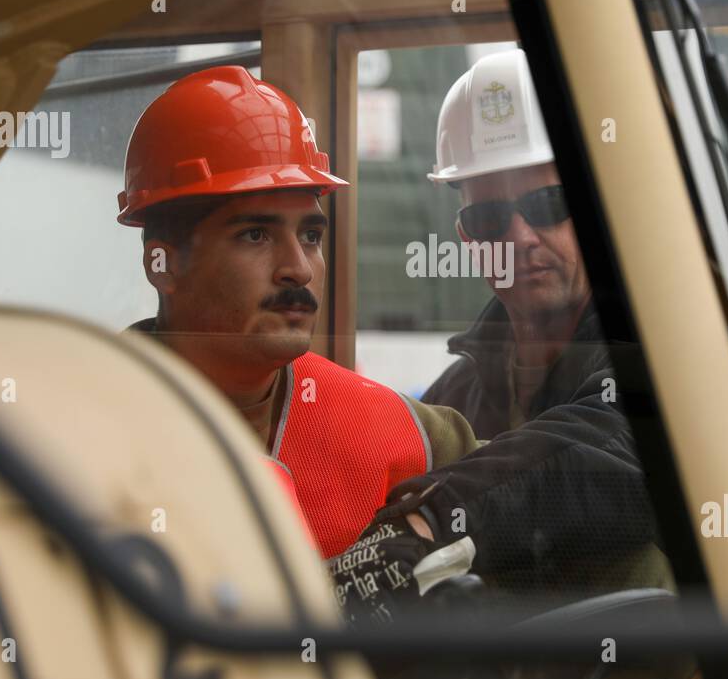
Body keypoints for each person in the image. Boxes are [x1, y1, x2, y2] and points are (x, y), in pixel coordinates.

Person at [329, 50, 728, 622]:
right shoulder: (458, 394)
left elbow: (620, 446)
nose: (519, 236)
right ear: (466, 236)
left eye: (547, 204)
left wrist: (431, 520)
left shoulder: (690, 345)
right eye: (489, 218)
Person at [117, 65, 476, 560]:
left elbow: (545, 489)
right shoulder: (64, 436)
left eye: (311, 236)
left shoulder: (404, 431)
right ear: (163, 264)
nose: (299, 269)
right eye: (255, 235)